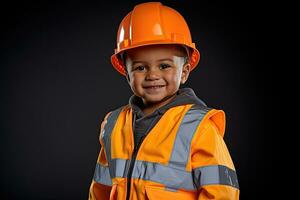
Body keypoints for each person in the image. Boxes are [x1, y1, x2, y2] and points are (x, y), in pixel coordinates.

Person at [89, 2, 239, 200]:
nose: (152, 75)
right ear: (127, 73)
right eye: (141, 68)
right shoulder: (113, 124)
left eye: (164, 66)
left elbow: (222, 193)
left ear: (184, 72)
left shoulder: (198, 127)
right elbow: (101, 187)